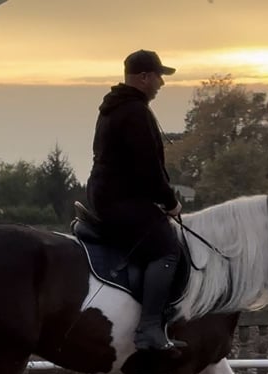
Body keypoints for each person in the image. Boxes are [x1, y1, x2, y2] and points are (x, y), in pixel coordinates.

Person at [86, 49, 186, 352]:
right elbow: (148, 168)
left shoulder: (115, 107)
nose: (161, 84)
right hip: (121, 200)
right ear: (144, 77)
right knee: (168, 249)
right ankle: (150, 328)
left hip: (107, 195)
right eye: (158, 77)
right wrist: (170, 203)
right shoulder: (135, 112)